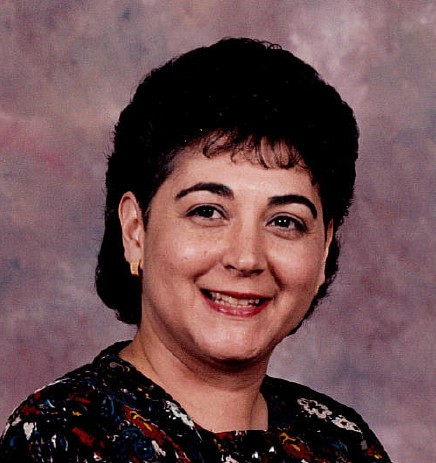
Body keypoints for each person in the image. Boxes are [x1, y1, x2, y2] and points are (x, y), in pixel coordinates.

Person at [0, 38, 392, 462]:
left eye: (284, 221)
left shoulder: (342, 442)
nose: (246, 258)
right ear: (135, 230)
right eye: (207, 212)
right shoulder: (62, 435)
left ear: (324, 250)